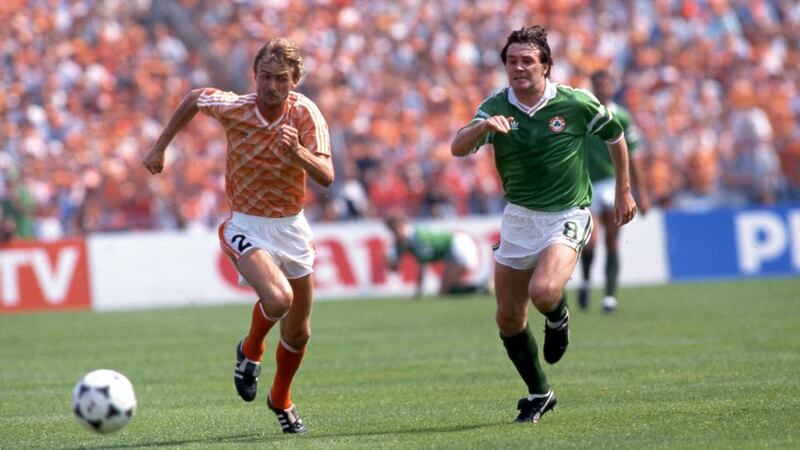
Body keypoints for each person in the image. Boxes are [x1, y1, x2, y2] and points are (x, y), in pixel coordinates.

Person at [142, 37, 333, 434]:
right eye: (265, 76)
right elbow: (195, 97)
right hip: (245, 223)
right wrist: (160, 147)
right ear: (255, 76)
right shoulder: (236, 108)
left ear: (295, 80)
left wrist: (298, 153)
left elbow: (327, 176)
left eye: (281, 78)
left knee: (299, 333)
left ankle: (280, 398)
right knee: (278, 299)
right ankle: (250, 350)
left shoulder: (306, 115)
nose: (271, 86)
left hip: (291, 226)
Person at [450, 25, 636, 424]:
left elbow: (615, 137)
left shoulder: (574, 102)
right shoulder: (496, 105)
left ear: (546, 66)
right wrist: (483, 127)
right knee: (507, 318)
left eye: (527, 61)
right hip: (518, 217)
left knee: (545, 290)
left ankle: (558, 315)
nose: (518, 67)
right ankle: (539, 392)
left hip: (567, 213)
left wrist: (624, 191)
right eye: (511, 61)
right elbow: (457, 147)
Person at [578, 70, 650, 313]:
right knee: (590, 242)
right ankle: (586, 283)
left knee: (612, 241)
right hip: (586, 183)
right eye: (599, 84)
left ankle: (609, 295)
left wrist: (641, 192)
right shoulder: (584, 112)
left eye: (607, 83)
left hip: (611, 183)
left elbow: (634, 155)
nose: (603, 88)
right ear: (593, 86)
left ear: (613, 86)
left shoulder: (621, 116)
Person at [384, 211, 487, 299]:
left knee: (443, 292)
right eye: (392, 230)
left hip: (458, 245)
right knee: (448, 290)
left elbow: (422, 268)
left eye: (395, 228)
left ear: (403, 225)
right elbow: (395, 269)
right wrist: (388, 261)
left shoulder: (418, 237)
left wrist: (417, 295)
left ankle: (482, 288)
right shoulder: (401, 242)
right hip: (452, 250)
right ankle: (482, 288)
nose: (394, 233)